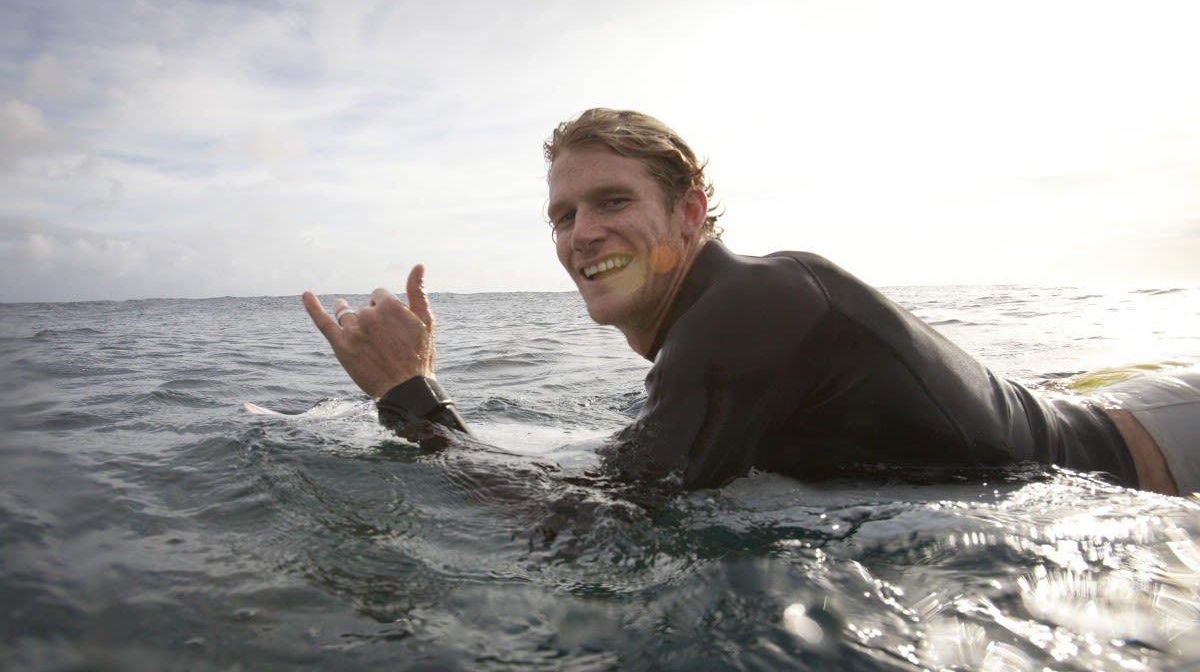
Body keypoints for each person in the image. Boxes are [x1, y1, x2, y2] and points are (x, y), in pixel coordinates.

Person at [304, 108, 1198, 498]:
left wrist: (411, 400)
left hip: (1147, 463)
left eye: (613, 201)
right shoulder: (720, 324)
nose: (580, 234)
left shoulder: (745, 310)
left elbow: (613, 518)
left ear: (689, 214)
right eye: (562, 214)